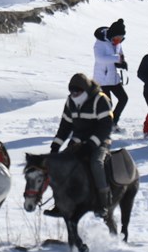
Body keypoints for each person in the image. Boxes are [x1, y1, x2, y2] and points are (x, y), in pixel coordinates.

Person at [49, 73, 114, 217]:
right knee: (60, 165)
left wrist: (91, 144)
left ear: (85, 90)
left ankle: (103, 202)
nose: (74, 94)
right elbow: (65, 125)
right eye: (71, 91)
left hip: (99, 142)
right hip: (78, 141)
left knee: (96, 164)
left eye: (77, 91)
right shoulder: (70, 101)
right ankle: (59, 203)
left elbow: (106, 126)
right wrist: (56, 145)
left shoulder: (100, 100)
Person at [93, 18, 128, 132]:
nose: (119, 41)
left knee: (123, 99)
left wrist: (123, 62)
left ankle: (113, 122)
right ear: (112, 35)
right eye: (117, 38)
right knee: (107, 104)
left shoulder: (118, 43)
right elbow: (99, 58)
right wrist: (117, 58)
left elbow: (120, 54)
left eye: (121, 38)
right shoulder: (100, 43)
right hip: (102, 79)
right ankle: (103, 125)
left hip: (114, 78)